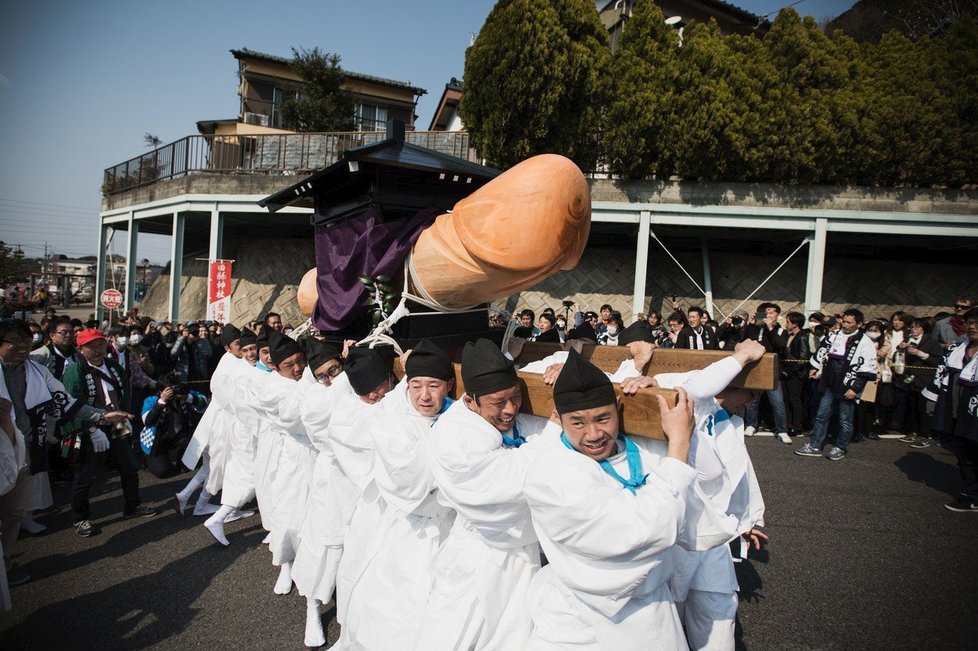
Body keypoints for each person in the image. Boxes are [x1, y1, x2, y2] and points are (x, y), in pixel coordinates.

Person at [522, 348, 697, 650]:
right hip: (579, 617)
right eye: (577, 423)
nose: (593, 434)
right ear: (559, 418)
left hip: (652, 615)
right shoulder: (552, 471)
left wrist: (653, 396)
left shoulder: (636, 447)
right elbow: (641, 530)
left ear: (618, 406)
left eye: (603, 418)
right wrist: (679, 443)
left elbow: (706, 477)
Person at [415, 338, 551, 650]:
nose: (510, 409)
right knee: (459, 632)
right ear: (471, 400)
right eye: (498, 402)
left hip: (519, 554)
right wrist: (554, 432)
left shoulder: (494, 415)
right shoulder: (455, 437)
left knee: (513, 632)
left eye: (516, 397)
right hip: (480, 554)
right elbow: (512, 479)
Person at [333, 340, 457, 650]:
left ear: (449, 385)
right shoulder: (389, 416)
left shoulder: (461, 415)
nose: (424, 395)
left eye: (434, 385)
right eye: (416, 385)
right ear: (406, 386)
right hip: (409, 526)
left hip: (454, 530)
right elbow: (409, 477)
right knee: (397, 607)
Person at [58, 327, 157, 536]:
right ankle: (80, 518)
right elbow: (72, 403)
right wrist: (91, 428)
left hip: (115, 424)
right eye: (91, 346)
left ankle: (133, 505)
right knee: (85, 475)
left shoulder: (112, 366)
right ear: (80, 349)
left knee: (130, 467)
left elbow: (125, 393)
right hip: (89, 428)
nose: (97, 349)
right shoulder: (75, 371)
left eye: (100, 344)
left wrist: (126, 416)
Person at [795, 309, 879, 461]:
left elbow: (867, 368)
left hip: (848, 383)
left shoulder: (864, 342)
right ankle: (814, 445)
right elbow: (821, 353)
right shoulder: (833, 335)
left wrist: (855, 388)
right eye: (844, 321)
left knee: (845, 419)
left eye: (849, 322)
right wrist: (815, 368)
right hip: (829, 382)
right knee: (821, 415)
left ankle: (840, 447)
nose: (845, 325)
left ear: (859, 324)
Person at [926, 308, 978, 511]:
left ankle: (972, 495)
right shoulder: (959, 348)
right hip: (956, 409)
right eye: (969, 322)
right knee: (963, 453)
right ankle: (971, 491)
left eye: (976, 322)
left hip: (974, 411)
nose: (972, 326)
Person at [140, 373, 207, 478]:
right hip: (157, 440)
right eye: (169, 389)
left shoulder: (182, 396)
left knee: (187, 466)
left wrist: (187, 397)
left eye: (174, 387)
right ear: (160, 391)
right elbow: (148, 421)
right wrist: (161, 402)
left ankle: (182, 463)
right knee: (163, 472)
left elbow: (203, 402)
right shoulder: (151, 401)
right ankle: (148, 459)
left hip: (179, 435)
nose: (172, 391)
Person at [741, 303, 789, 443]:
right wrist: (751, 324)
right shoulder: (757, 328)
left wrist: (770, 327)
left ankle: (782, 430)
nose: (768, 315)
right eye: (766, 312)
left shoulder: (780, 331)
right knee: (753, 400)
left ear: (777, 316)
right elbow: (745, 339)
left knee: (777, 402)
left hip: (772, 371)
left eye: (771, 313)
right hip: (756, 369)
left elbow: (779, 344)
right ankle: (751, 424)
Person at [782, 312, 812, 437]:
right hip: (788, 373)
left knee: (795, 400)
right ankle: (789, 424)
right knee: (788, 399)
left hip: (796, 375)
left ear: (795, 324)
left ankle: (796, 426)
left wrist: (790, 371)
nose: (786, 324)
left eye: (788, 322)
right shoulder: (790, 336)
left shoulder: (802, 336)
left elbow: (803, 358)